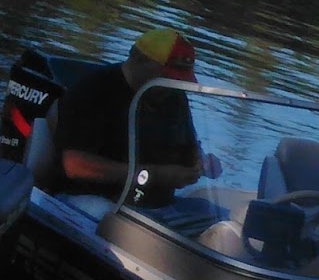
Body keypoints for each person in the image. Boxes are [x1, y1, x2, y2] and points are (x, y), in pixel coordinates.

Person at [53, 27, 221, 230]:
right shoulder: (94, 89)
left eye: (179, 79)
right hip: (91, 199)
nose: (173, 85)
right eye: (167, 75)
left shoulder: (174, 96)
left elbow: (188, 146)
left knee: (220, 219)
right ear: (139, 59)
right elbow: (74, 166)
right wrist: (154, 175)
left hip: (155, 205)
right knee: (124, 226)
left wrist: (200, 162)